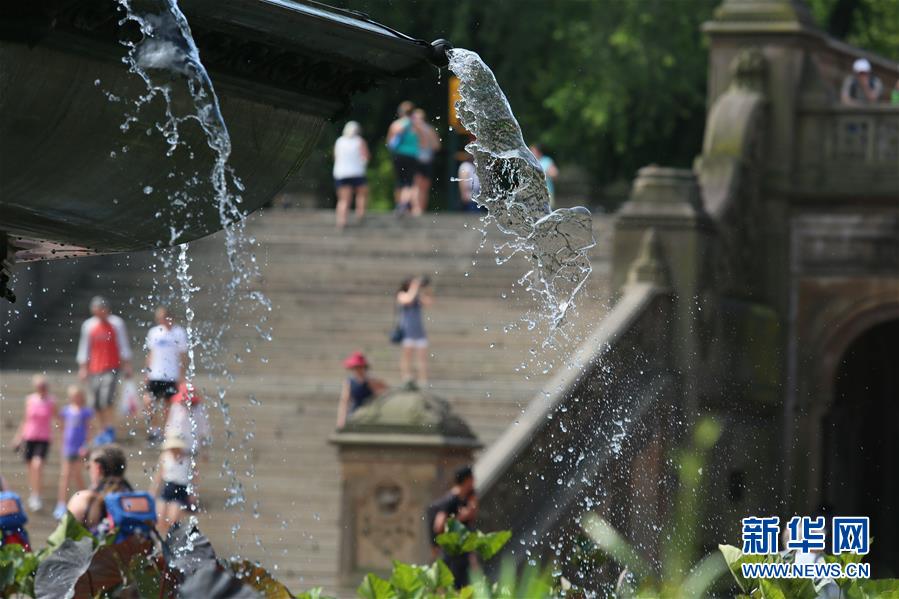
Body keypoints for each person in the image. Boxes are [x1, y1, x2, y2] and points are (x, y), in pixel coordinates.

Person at [77, 296, 133, 444]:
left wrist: (127, 364)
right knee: (95, 402)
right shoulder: (89, 325)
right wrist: (83, 367)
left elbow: (123, 344)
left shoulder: (116, 323)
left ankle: (109, 428)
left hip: (112, 367)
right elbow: (85, 347)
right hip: (94, 368)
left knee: (106, 399)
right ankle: (101, 430)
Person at [11, 375, 57, 512]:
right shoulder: (30, 399)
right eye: (39, 386)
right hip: (29, 436)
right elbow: (26, 420)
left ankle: (37, 494)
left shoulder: (51, 401)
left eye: (43, 386)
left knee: (37, 465)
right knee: (31, 467)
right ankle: (34, 493)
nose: (41, 389)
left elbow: (57, 418)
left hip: (43, 437)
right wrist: (18, 437)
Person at [144, 306, 188, 443]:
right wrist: (147, 372)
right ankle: (154, 429)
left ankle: (167, 431)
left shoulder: (179, 332)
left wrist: (181, 375)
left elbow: (183, 355)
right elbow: (150, 354)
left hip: (172, 375)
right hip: (155, 374)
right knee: (149, 401)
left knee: (168, 405)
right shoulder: (154, 332)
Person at [430, 466, 479, 588]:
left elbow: (472, 512)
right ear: (467, 480)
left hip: (463, 551)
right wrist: (460, 518)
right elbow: (438, 525)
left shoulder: (467, 496)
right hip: (452, 554)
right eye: (472, 479)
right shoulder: (451, 500)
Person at [66, 444, 133, 533]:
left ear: (98, 468)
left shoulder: (82, 500)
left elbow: (65, 540)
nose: (88, 470)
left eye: (88, 467)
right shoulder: (137, 500)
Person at [53, 385, 94, 520]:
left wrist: (87, 445)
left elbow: (89, 429)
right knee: (65, 475)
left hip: (80, 447)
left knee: (77, 475)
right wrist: (61, 442)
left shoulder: (85, 412)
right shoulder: (66, 411)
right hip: (68, 447)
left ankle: (86, 499)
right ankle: (61, 503)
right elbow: (61, 427)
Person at [386, 101, 423, 215]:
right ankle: (404, 204)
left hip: (398, 155)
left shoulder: (396, 125)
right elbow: (422, 141)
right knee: (409, 182)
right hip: (411, 156)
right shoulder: (416, 125)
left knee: (399, 181)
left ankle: (399, 205)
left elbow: (389, 143)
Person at [151, 435, 192, 535]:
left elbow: (194, 477)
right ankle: (162, 541)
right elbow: (159, 475)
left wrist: (192, 493)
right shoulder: (165, 456)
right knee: (159, 519)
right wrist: (153, 491)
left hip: (181, 488)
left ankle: (170, 540)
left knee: (172, 520)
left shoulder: (187, 458)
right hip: (168, 486)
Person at [333, 121, 371, 229]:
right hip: (357, 172)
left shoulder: (339, 141)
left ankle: (341, 221)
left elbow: (336, 157)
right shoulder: (359, 141)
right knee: (361, 194)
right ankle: (360, 214)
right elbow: (366, 157)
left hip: (341, 173)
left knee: (343, 199)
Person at [397, 276, 434, 386]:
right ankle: (406, 378)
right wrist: (414, 287)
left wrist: (424, 289)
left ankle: (423, 380)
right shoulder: (401, 295)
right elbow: (408, 300)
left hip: (419, 332)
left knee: (422, 359)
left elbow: (429, 302)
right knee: (407, 358)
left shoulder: (418, 296)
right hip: (407, 332)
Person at [336, 351, 388, 428]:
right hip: (355, 411)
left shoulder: (372, 380)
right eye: (355, 368)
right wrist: (341, 420)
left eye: (360, 367)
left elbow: (384, 392)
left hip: (370, 411)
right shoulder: (349, 382)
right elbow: (344, 401)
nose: (358, 370)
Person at [412, 109, 441, 214]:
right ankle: (416, 208)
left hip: (425, 160)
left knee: (423, 186)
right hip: (417, 160)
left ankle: (420, 209)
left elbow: (436, 146)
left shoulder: (428, 130)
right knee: (417, 185)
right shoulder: (413, 130)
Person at [529, 144, 559, 209]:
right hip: (532, 194)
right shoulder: (529, 161)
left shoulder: (546, 161)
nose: (530, 152)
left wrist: (542, 173)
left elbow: (555, 173)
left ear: (539, 152)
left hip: (546, 193)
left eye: (532, 151)